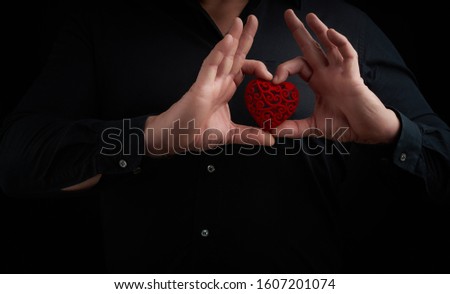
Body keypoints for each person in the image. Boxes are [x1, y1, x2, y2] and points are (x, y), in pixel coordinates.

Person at [0, 0, 449, 273]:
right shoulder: (101, 26)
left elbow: (440, 159)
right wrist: (151, 136)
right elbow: (18, 162)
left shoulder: (344, 29)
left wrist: (389, 132)